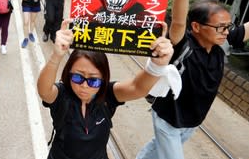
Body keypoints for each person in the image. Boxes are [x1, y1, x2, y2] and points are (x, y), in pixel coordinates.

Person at [136, 0, 249, 159]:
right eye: (220, 27)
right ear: (196, 26)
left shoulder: (222, 42)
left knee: (155, 150)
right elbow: (178, 21)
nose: (225, 31)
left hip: (193, 119)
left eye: (228, 27)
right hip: (169, 118)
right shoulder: (183, 44)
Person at [38, 20, 174, 159]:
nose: (85, 86)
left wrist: (157, 65)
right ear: (68, 73)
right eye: (78, 78)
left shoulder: (108, 95)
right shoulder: (62, 95)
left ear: (104, 79)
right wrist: (56, 56)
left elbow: (137, 88)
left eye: (93, 80)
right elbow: (44, 91)